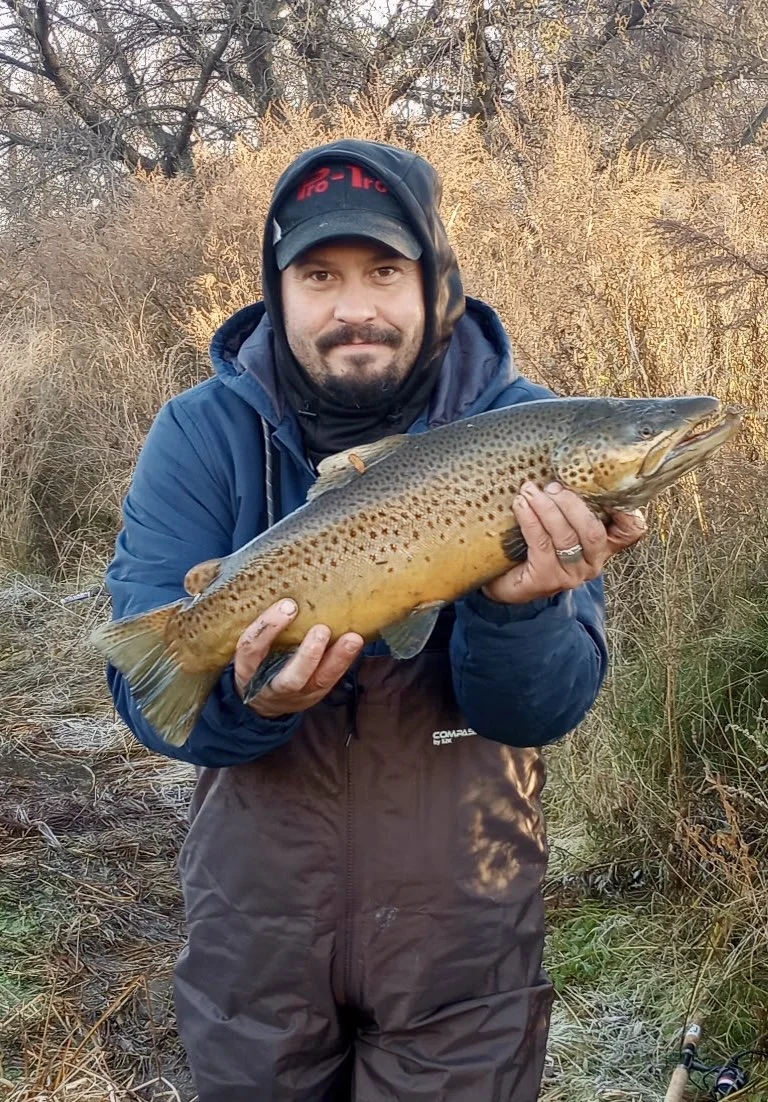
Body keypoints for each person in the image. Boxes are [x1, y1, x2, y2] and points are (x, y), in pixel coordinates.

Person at [105, 139, 646, 1101]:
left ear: (437, 283)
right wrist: (257, 701)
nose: (354, 306)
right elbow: (153, 709)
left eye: (384, 272)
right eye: (320, 275)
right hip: (253, 936)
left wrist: (522, 612)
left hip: (465, 938)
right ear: (277, 293)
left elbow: (542, 713)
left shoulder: (530, 430)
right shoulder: (198, 433)